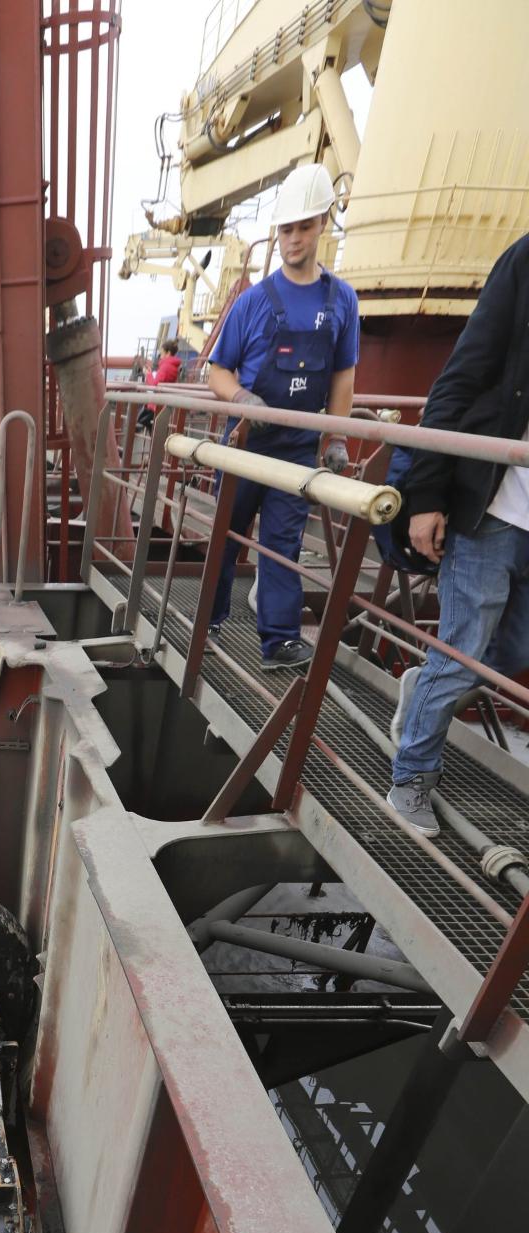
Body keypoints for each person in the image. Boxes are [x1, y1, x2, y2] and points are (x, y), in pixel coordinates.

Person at [387, 232, 529, 835]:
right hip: (494, 506)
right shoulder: (525, 262)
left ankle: (426, 689)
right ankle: (411, 777)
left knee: (516, 653)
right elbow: (457, 380)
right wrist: (425, 497)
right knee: (464, 649)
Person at [206, 164, 360, 667]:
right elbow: (217, 370)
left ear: (322, 225)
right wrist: (243, 401)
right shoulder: (253, 302)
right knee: (225, 536)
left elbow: (342, 376)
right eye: (287, 229)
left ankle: (279, 640)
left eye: (304, 227)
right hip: (245, 445)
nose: (294, 239)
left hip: (297, 448)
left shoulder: (342, 302)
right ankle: (208, 621)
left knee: (281, 545)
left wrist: (335, 439)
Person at [137, 338, 181, 430]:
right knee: (151, 426)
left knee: (140, 423)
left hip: (156, 404)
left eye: (162, 353)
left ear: (168, 353)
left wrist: (148, 374)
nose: (160, 356)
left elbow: (154, 385)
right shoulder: (172, 366)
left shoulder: (165, 367)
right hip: (162, 402)